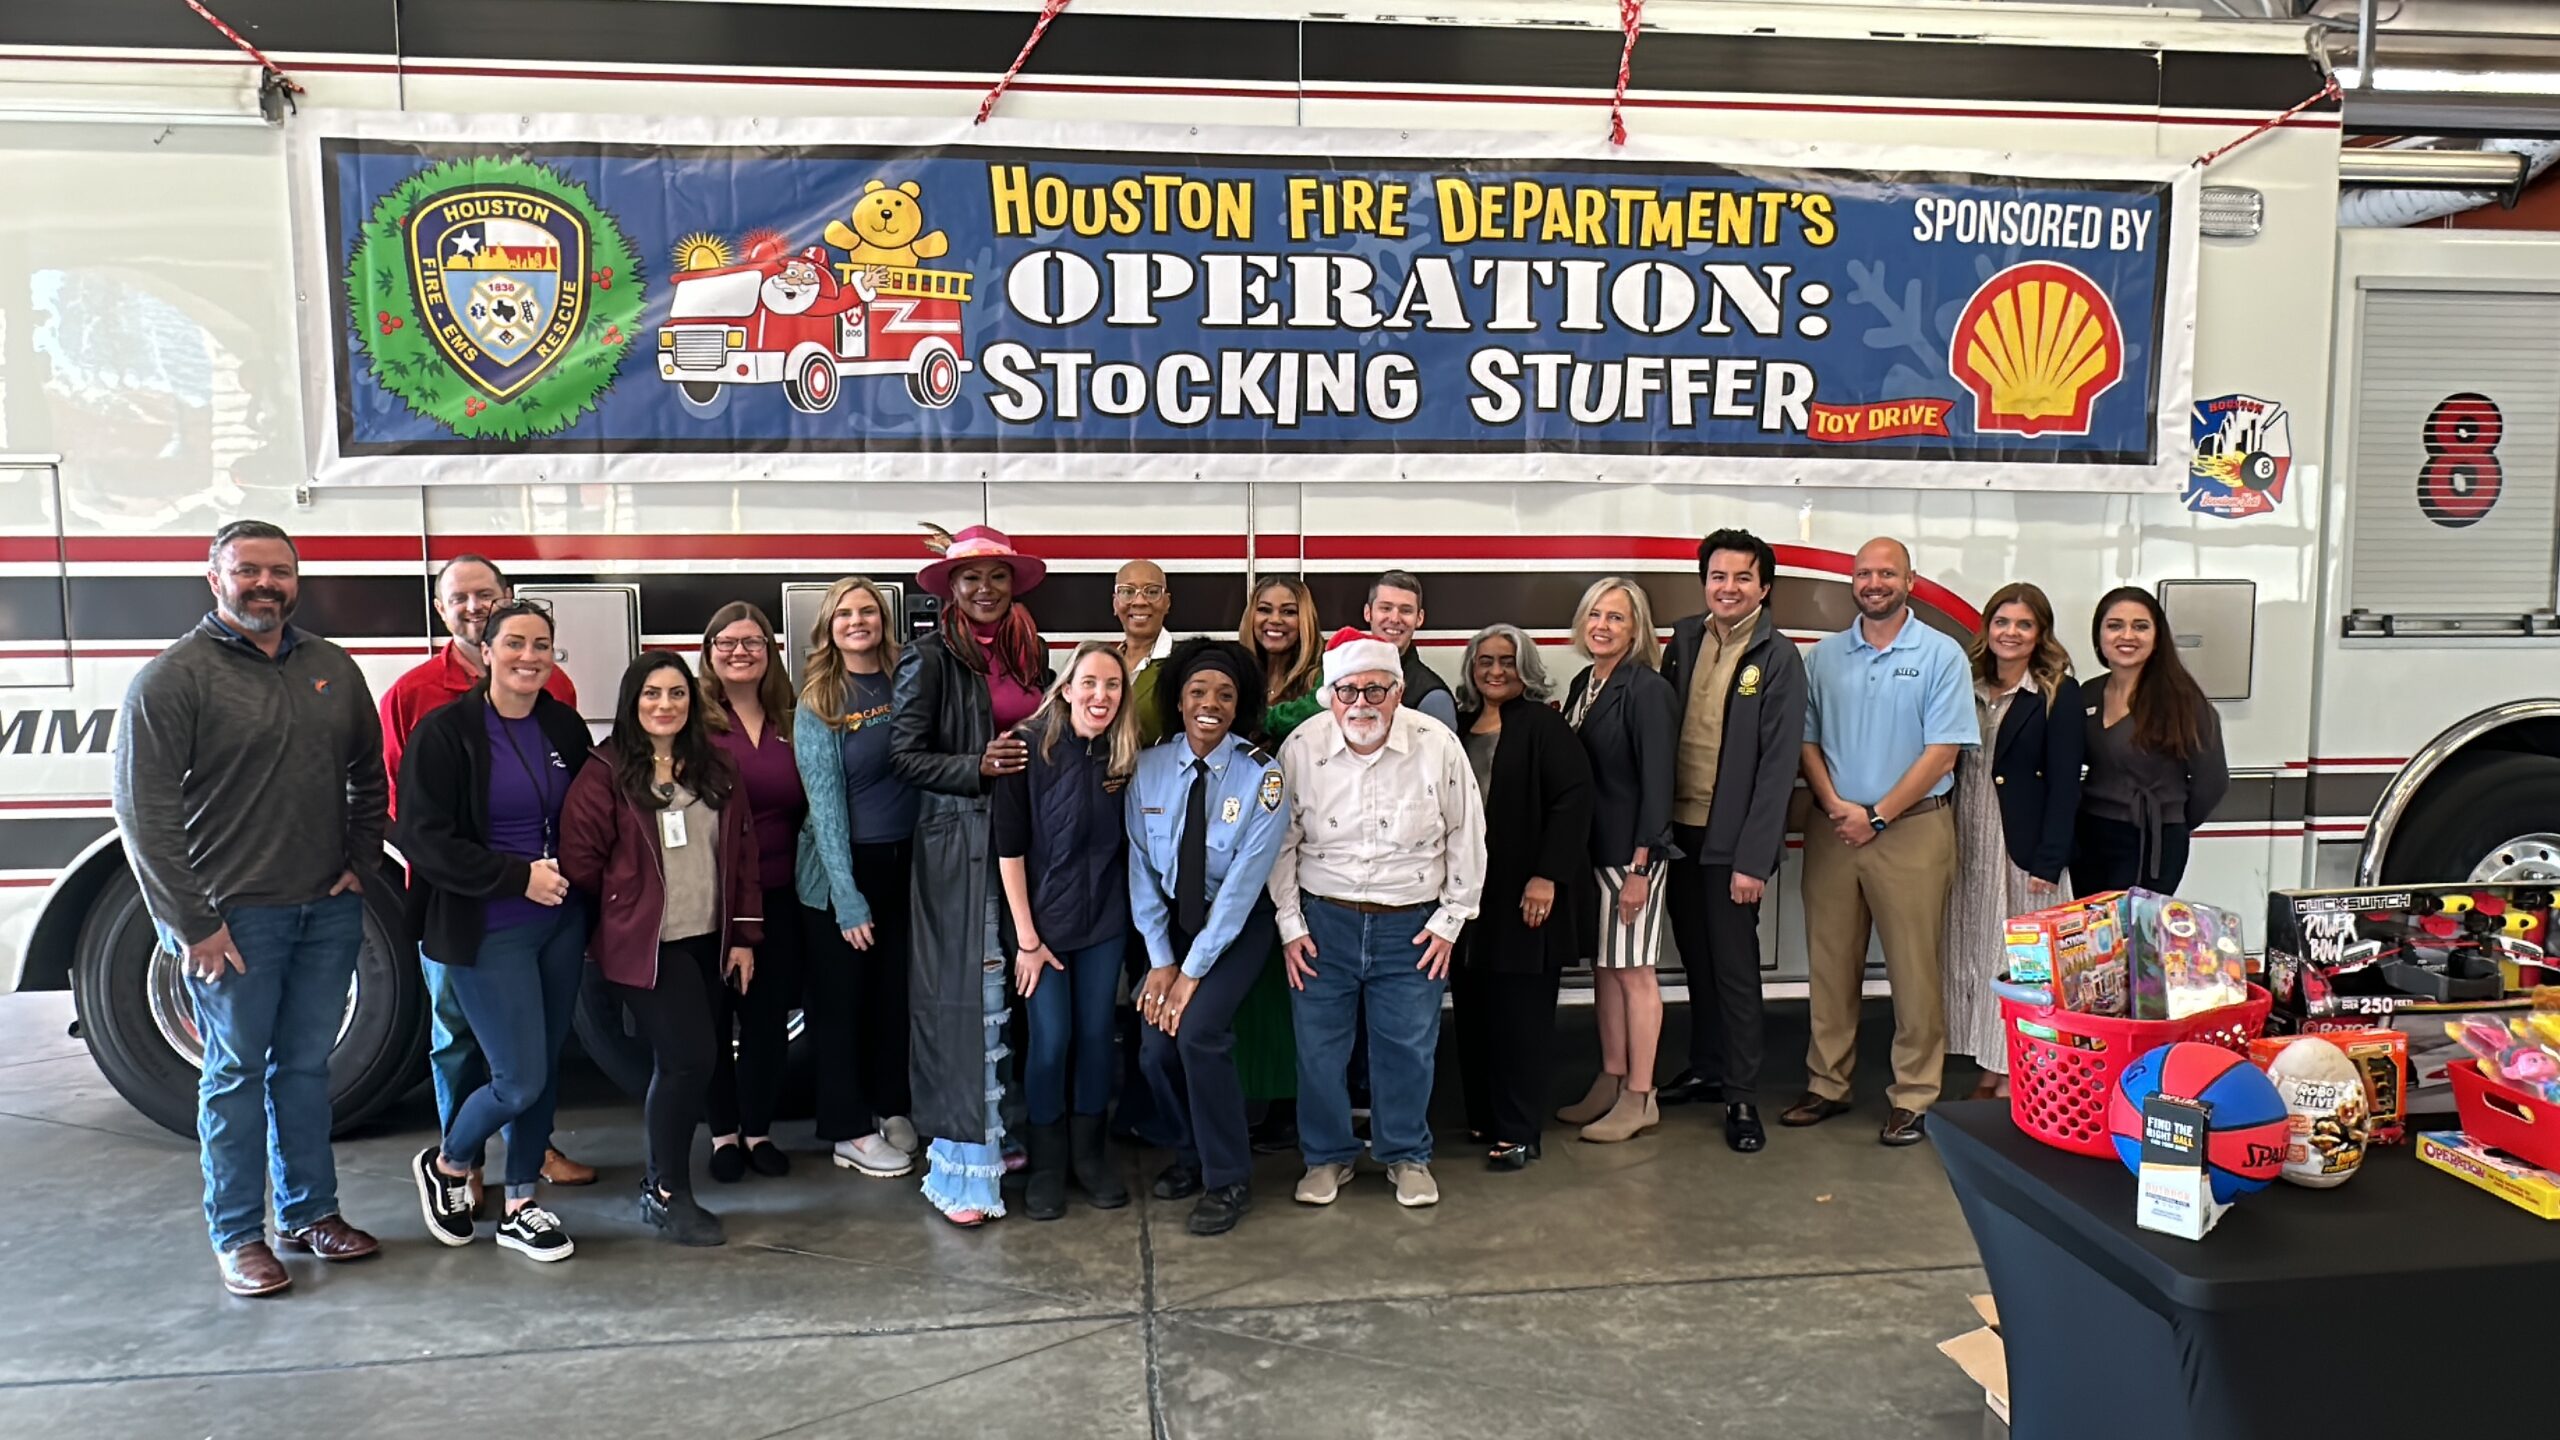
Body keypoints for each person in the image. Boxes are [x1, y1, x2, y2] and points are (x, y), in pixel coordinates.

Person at [110, 520, 386, 1297]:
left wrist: (360, 863)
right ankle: (239, 1235)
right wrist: (192, 923)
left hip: (324, 912)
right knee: (233, 1077)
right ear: (214, 579)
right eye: (248, 571)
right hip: (235, 922)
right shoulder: (175, 678)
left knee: (304, 1070)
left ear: (297, 581)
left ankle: (309, 1213)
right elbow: (144, 815)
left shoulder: (331, 666)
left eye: (280, 572)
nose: (266, 584)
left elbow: (369, 771)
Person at [378, 553, 593, 1194]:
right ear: (483, 641)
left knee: (544, 1063)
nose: (529, 656)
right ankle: (455, 1160)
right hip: (481, 919)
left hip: (559, 920)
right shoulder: (438, 723)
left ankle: (523, 1190)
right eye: (515, 644)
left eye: (542, 645)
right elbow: (415, 829)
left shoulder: (562, 715)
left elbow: (587, 808)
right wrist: (513, 877)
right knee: (505, 1067)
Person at [1270, 628, 1486, 1211]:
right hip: (1323, 924)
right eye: (1347, 691)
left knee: (1408, 1049)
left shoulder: (1437, 744)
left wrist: (1451, 920)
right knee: (1318, 1050)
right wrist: (1291, 925)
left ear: (1397, 692)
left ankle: (1406, 1155)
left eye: (1375, 690)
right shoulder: (1302, 747)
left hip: (1410, 926)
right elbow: (1280, 844)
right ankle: (1326, 1158)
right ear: (1329, 695)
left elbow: (1468, 830)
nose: (1360, 703)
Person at [559, 654, 764, 1246]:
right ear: (632, 702)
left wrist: (745, 936)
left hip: (710, 938)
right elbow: (581, 860)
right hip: (648, 946)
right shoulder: (604, 771)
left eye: (677, 693)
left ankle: (665, 1181)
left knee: (689, 1061)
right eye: (652, 694)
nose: (666, 704)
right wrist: (629, 909)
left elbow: (744, 853)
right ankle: (665, 1190)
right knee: (689, 1060)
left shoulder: (716, 766)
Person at [889, 524, 1055, 1226]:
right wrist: (974, 767)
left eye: (997, 577)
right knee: (972, 998)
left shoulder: (1031, 650)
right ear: (950, 590)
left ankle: (1005, 1131)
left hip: (1031, 845)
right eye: (970, 579)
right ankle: (966, 1167)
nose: (985, 589)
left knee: (1020, 995)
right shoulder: (926, 658)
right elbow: (904, 754)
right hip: (962, 850)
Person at [1789, 538, 1974, 1147]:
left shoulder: (1942, 655)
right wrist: (1839, 808)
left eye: (1886, 572)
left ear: (1910, 581)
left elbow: (1942, 750)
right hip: (1835, 829)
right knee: (1830, 963)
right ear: (1852, 582)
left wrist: (1879, 814)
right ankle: (1826, 1083)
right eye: (1864, 572)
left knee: (1915, 968)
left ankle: (1915, 1094)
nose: (1875, 582)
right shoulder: (1823, 659)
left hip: (1914, 829)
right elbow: (1807, 742)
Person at [1128, 639, 1290, 1235]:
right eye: (1198, 691)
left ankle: (1228, 1179)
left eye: (1224, 694)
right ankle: (1189, 1154)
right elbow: (1141, 873)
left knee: (1197, 1033)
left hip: (1236, 927)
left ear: (1239, 703)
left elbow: (1244, 888)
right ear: (1178, 700)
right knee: (1153, 1048)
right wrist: (1162, 961)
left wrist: (1190, 973)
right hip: (1171, 926)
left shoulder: (1261, 778)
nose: (1210, 704)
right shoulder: (1148, 768)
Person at [1656, 530, 1807, 1154]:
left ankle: (1742, 1095)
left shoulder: (1778, 657)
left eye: (1743, 578)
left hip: (1731, 843)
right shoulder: (1684, 640)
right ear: (1705, 583)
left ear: (1764, 587)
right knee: (1695, 958)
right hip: (1678, 834)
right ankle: (1707, 1064)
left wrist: (1752, 861)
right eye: (1718, 577)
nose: (1729, 588)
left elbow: (1777, 769)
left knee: (1736, 969)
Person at [994, 642, 1139, 1220]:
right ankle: (1048, 1161)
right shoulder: (1026, 747)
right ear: (1067, 686)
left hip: (1102, 923)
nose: (1100, 695)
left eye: (1112, 685)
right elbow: (1009, 850)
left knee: (1097, 1035)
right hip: (1040, 930)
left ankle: (1089, 1157)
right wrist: (1026, 941)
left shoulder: (1124, 755)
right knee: (1050, 1040)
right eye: (1090, 683)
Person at [1451, 625, 1593, 1169]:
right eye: (1484, 661)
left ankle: (1519, 1131)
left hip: (1523, 895)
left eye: (1507, 661)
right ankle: (1485, 1115)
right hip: (1469, 899)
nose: (1494, 670)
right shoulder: (1459, 727)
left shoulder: (1544, 726)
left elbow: (1573, 802)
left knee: (1520, 1019)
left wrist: (1547, 876)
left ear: (1525, 667)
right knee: (1474, 1010)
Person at [794, 577, 918, 1178]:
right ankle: (847, 1129)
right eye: (844, 613)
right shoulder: (819, 699)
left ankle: (890, 1104)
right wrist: (846, 896)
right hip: (842, 872)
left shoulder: (906, 680)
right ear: (829, 626)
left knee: (894, 994)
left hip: (904, 861)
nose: (857, 621)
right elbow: (823, 805)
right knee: (841, 1005)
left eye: (868, 611)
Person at [1945, 583, 2082, 1101]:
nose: (2011, 633)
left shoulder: (2056, 693)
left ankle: (2014, 1073)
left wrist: (2050, 859)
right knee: (1976, 953)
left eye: (2024, 624)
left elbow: (2067, 784)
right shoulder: (1968, 682)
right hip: (1966, 836)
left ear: (2040, 634)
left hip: (2021, 849)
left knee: (2020, 963)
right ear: (1988, 628)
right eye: (2002, 622)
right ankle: (1990, 1065)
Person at [1555, 578, 1678, 1144]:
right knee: (1604, 972)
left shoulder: (1646, 689)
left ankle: (1641, 1095)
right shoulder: (1585, 683)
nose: (1602, 626)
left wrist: (1640, 866)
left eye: (1617, 618)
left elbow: (1659, 783)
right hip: (1593, 854)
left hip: (1632, 857)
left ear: (1637, 630)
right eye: (1595, 615)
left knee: (1635, 975)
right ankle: (1611, 1078)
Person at [700, 602, 808, 1183]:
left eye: (754, 642)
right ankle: (722, 1135)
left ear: (771, 653)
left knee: (767, 1019)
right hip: (711, 900)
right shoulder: (692, 722)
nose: (741, 652)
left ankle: (759, 1130)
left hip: (781, 894)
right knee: (713, 1020)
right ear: (710, 652)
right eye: (728, 642)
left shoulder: (792, 721)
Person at [1235, 575, 1326, 1151]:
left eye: (1288, 611)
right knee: (1250, 986)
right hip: (1240, 846)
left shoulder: (1324, 679)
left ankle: (1297, 1108)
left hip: (1309, 848)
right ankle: (1250, 1099)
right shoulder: (1234, 676)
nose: (1276, 620)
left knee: (1302, 983)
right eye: (1265, 609)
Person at [2076, 586, 2229, 896]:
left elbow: (2212, 782)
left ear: (2158, 636)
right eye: (2115, 625)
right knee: (2093, 938)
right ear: (2099, 635)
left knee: (2135, 940)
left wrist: (2170, 821)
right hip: (2089, 837)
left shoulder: (2183, 701)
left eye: (2140, 626)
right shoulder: (2087, 693)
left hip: (2152, 842)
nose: (2127, 635)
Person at [1364, 569, 1457, 730]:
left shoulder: (1433, 698)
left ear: (1419, 618)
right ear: (1368, 613)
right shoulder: (1344, 677)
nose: (1394, 619)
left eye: (1405, 610)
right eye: (1385, 608)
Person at [1113, 559, 1174, 745]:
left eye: (1152, 592)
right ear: (1115, 603)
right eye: (1127, 592)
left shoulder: (1184, 664)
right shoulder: (1101, 662)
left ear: (1167, 602)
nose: (1139, 601)